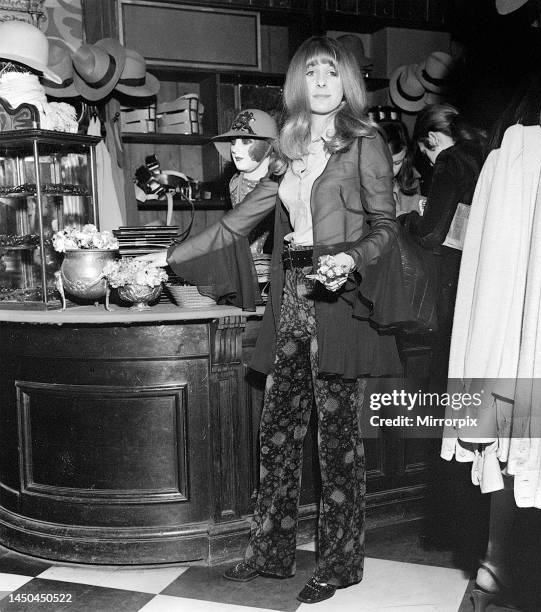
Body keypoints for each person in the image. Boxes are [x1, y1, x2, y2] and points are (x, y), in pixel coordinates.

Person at [137, 35, 401, 605]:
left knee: (337, 445)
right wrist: (165, 257)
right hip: (293, 297)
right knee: (278, 432)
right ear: (298, 84)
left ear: (347, 81)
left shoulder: (365, 143)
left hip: (339, 300)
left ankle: (340, 561)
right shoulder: (288, 146)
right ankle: (271, 550)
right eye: (313, 73)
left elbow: (386, 227)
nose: (323, 83)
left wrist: (351, 258)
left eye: (332, 73)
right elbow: (237, 222)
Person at [407, 103, 485, 386]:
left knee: (444, 358)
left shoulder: (449, 160)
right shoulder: (485, 153)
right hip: (482, 267)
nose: (428, 161)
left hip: (452, 273)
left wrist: (409, 219)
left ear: (434, 138)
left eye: (426, 151)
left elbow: (431, 233)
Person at [211, 109, 279, 254]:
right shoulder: (235, 182)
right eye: (233, 142)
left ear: (269, 146)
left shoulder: (280, 183)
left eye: (246, 141)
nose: (235, 149)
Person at [377, 120, 421, 217]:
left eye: (397, 163)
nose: (391, 171)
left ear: (405, 158)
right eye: (385, 163)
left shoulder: (411, 181)